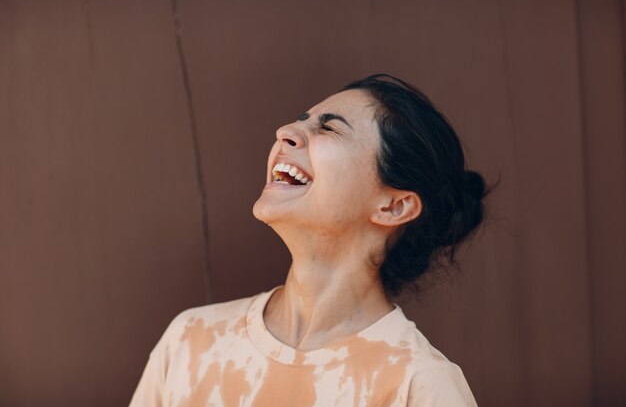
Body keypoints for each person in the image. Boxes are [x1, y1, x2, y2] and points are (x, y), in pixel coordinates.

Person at [129, 74, 493, 407]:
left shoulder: (419, 384)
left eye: (329, 128)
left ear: (394, 206)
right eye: (301, 119)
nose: (284, 131)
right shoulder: (191, 341)